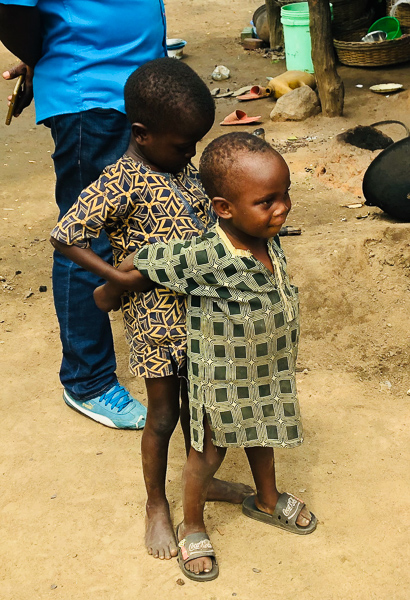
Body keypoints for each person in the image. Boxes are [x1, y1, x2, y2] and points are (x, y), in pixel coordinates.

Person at [50, 59, 254, 561]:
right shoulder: (120, 180)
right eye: (183, 145)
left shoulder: (177, 168)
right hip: (156, 323)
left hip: (201, 316)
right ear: (141, 134)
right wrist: (117, 279)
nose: (190, 154)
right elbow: (65, 235)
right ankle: (156, 504)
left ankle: (200, 482)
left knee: (200, 407)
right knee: (163, 416)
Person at [103, 132, 317, 581]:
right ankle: (192, 525)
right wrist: (109, 291)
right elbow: (148, 259)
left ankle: (267, 499)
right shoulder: (210, 254)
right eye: (267, 201)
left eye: (285, 194)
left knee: (263, 435)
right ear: (224, 207)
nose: (282, 208)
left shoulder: (264, 234)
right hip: (221, 383)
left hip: (266, 371)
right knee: (206, 455)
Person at [0, 0, 168, 428]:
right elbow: (12, 10)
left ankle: (162, 351)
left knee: (147, 219)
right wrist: (45, 56)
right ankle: (87, 381)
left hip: (138, 86)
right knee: (86, 237)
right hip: (91, 94)